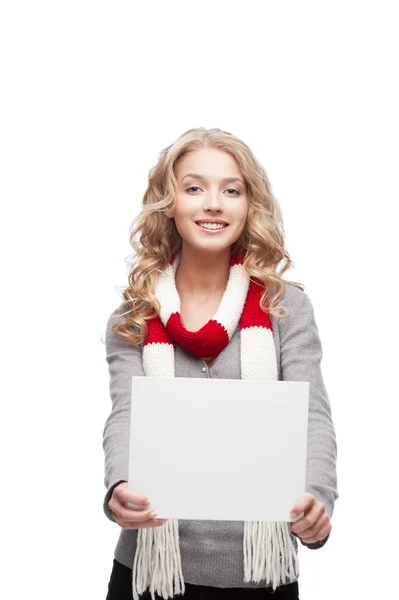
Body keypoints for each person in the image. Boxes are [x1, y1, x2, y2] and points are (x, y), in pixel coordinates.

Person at [102, 127, 339, 600]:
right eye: (194, 188)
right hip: (149, 573)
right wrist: (119, 485)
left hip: (260, 573)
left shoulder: (284, 308)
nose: (214, 203)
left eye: (231, 190)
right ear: (169, 203)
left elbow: (312, 416)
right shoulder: (133, 318)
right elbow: (127, 413)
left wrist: (317, 497)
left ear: (249, 205)